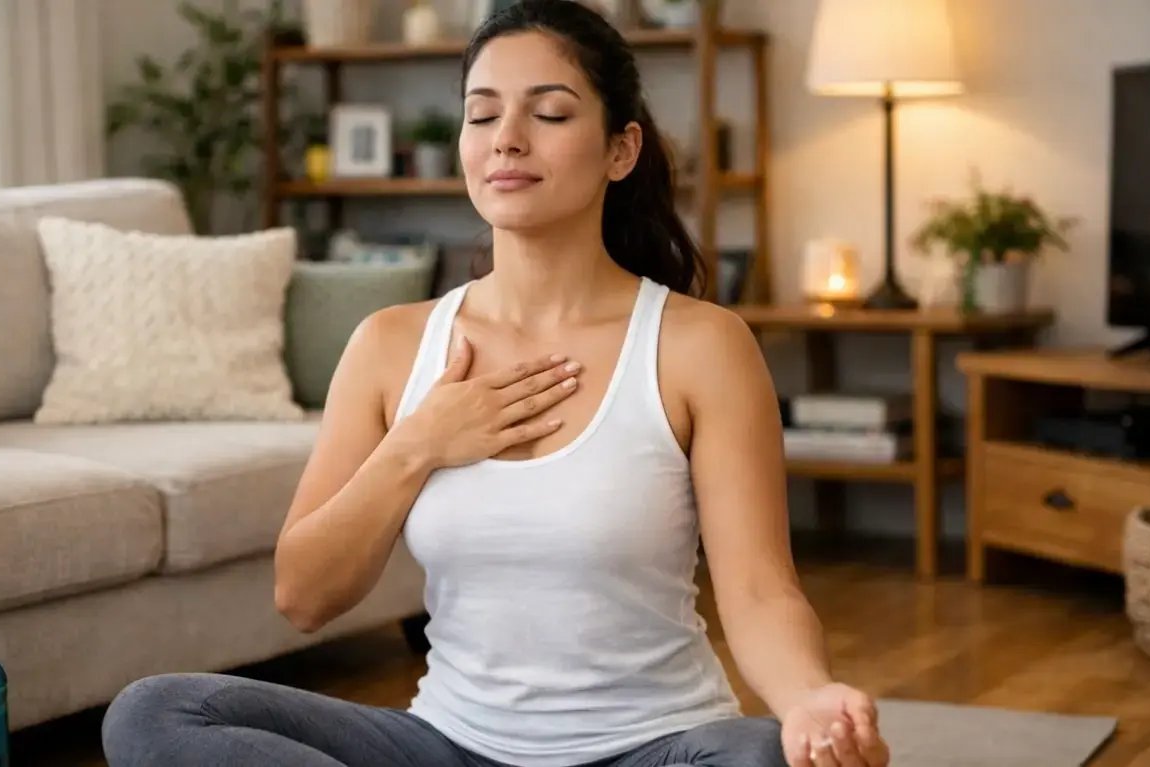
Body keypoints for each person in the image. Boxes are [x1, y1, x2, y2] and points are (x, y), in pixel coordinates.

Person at [101, 2, 890, 766]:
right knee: (156, 712)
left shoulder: (700, 346)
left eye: (549, 113)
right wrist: (418, 443)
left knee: (759, 754)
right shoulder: (390, 345)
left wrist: (809, 697)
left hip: (655, 744)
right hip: (448, 744)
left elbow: (759, 592)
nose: (506, 138)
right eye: (482, 115)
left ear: (621, 150)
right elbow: (303, 594)